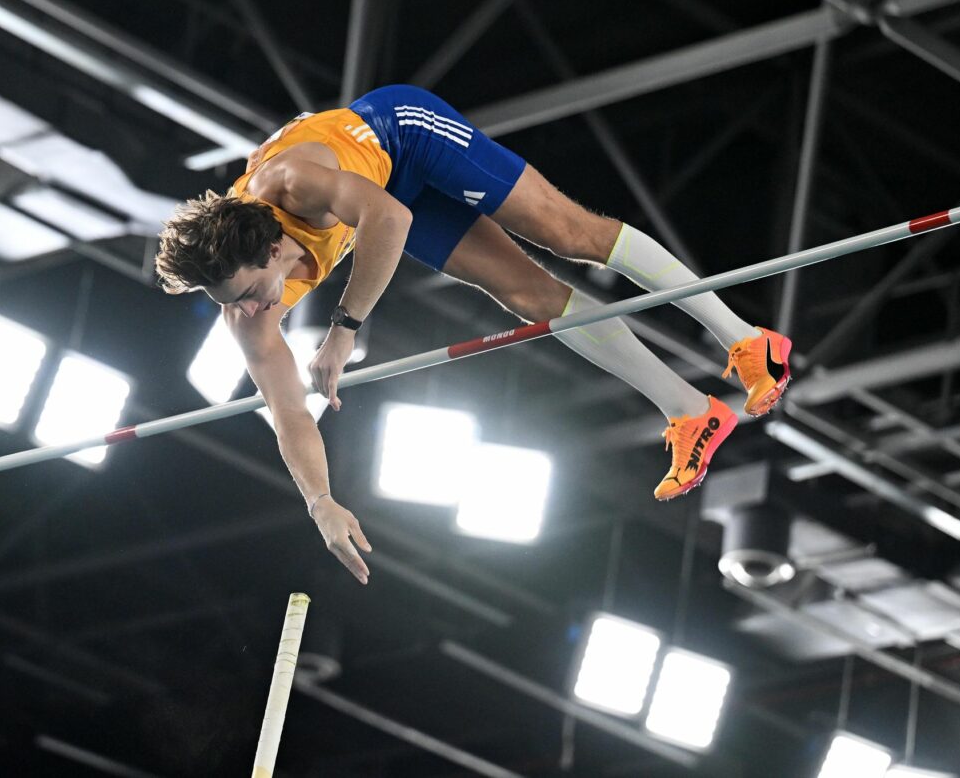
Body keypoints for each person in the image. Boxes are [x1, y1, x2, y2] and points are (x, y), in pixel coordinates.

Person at [156, 85, 792, 585]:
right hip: (382, 185)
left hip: (403, 133)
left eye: (246, 291)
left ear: (271, 245)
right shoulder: (246, 309)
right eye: (229, 302)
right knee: (526, 295)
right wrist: (319, 499)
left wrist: (345, 329)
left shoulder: (294, 184)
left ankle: (746, 339)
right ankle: (689, 410)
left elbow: (388, 216)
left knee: (570, 235)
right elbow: (288, 410)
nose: (247, 309)